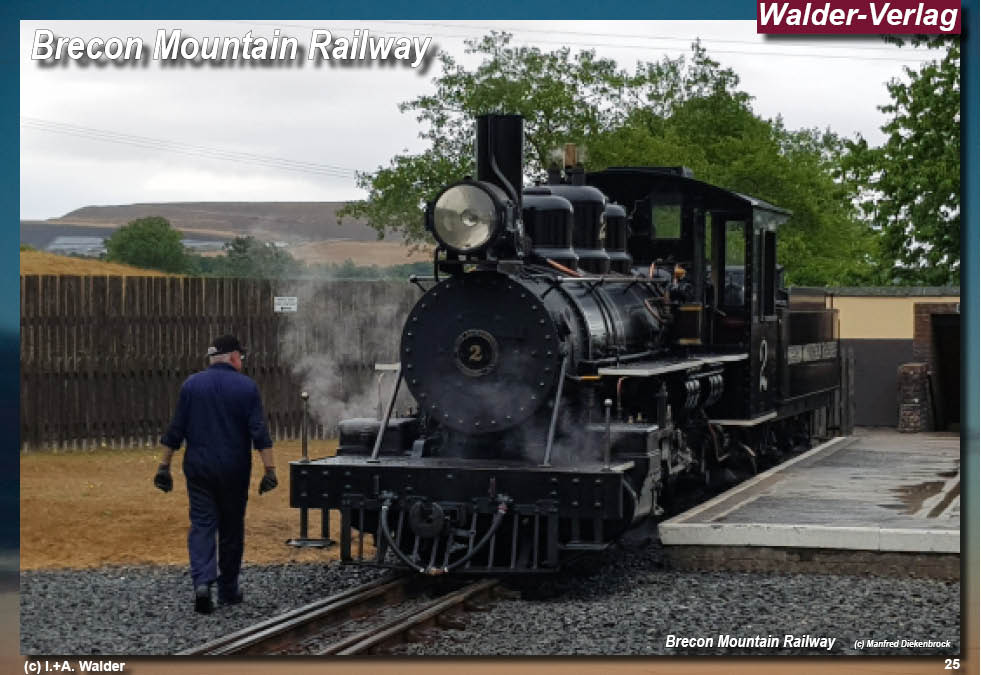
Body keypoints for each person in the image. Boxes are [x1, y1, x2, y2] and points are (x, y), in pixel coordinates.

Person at [153, 334, 278, 614]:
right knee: (232, 528)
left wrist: (164, 466)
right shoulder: (247, 387)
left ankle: (202, 583)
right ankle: (229, 589)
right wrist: (270, 470)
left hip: (198, 468)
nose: (242, 361)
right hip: (234, 470)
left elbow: (176, 429)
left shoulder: (191, 385)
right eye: (241, 357)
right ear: (234, 356)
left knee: (202, 525)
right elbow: (259, 432)